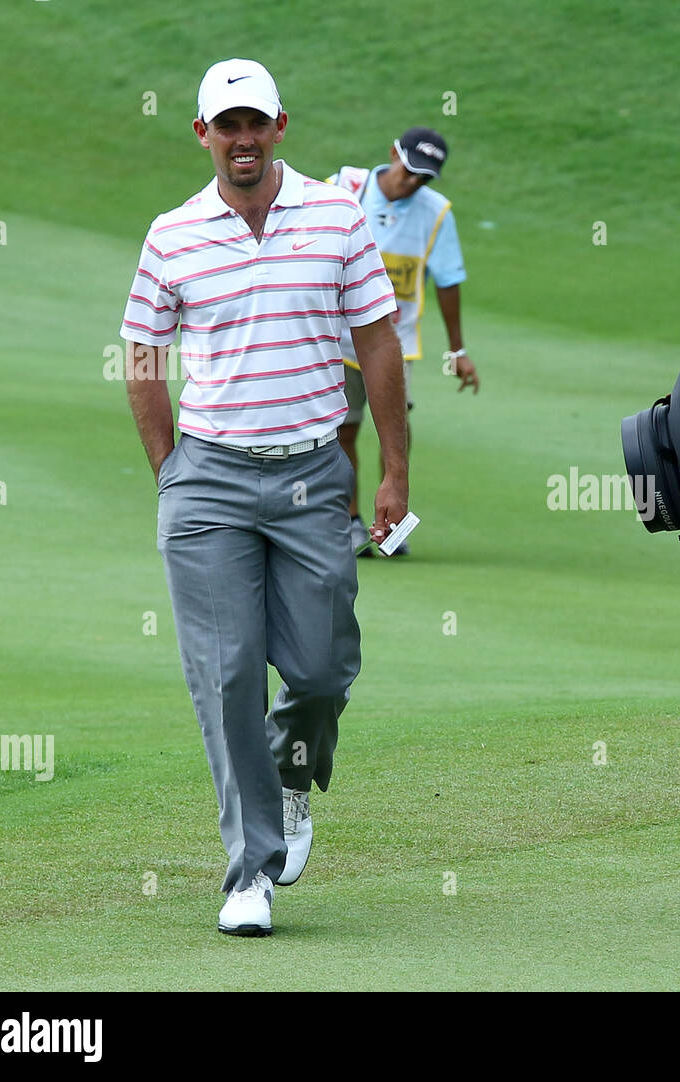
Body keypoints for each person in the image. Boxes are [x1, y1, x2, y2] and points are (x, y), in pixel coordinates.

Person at [120, 58, 410, 936]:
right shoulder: (173, 233)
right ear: (202, 135)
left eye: (255, 123)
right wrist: (169, 467)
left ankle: (289, 774)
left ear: (280, 124)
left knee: (321, 668)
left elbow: (380, 345)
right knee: (228, 673)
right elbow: (141, 353)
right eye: (225, 125)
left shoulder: (335, 217)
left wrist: (394, 469)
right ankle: (251, 870)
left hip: (311, 473)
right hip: (207, 477)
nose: (241, 140)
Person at [326, 127, 478, 557]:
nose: (413, 182)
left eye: (424, 178)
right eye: (409, 170)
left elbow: (448, 282)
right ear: (393, 153)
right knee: (344, 429)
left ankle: (391, 523)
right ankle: (352, 522)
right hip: (337, 339)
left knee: (395, 432)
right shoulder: (342, 189)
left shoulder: (436, 213)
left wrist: (458, 350)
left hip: (394, 344)